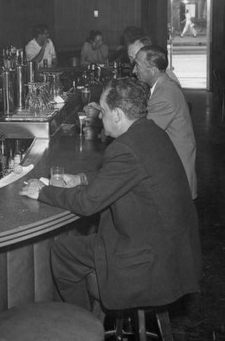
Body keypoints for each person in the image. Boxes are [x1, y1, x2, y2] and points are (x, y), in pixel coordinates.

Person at [19, 77, 201, 313]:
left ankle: (81, 324)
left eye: (103, 111)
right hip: (176, 251)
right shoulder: (151, 131)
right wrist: (81, 178)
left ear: (117, 114)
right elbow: (125, 174)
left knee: (62, 251)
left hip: (150, 261)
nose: (100, 117)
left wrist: (42, 191)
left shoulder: (124, 148)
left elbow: (87, 203)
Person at [132, 45, 197, 199]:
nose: (134, 71)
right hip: (170, 167)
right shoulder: (161, 87)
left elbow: (141, 134)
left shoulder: (165, 95)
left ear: (153, 70)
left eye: (138, 66)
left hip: (176, 175)